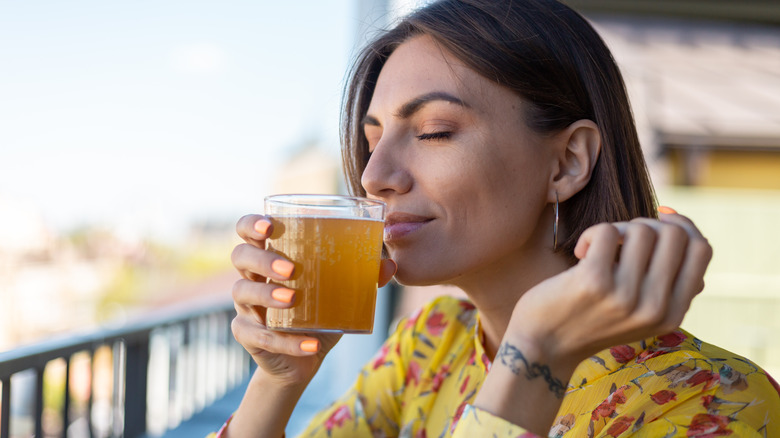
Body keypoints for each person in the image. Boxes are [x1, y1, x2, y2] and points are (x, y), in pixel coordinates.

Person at [215, 0, 780, 436]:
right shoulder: (433, 345)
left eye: (434, 131)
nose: (372, 176)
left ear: (567, 161)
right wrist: (277, 380)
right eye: (373, 138)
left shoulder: (713, 404)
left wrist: (535, 355)